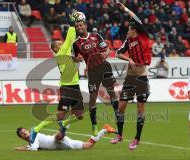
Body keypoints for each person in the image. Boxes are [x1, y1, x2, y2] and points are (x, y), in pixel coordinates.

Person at [29, 11, 85, 143]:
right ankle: (36, 129)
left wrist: (76, 60)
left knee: (80, 115)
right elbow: (70, 38)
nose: (61, 44)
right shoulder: (61, 52)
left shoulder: (64, 54)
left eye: (61, 43)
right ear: (55, 49)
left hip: (75, 86)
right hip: (66, 87)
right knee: (60, 114)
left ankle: (64, 124)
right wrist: (72, 23)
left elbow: (71, 59)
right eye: (58, 44)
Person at [110, 2, 152, 150]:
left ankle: (137, 138)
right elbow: (117, 53)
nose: (127, 32)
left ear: (134, 30)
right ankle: (120, 135)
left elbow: (137, 18)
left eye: (129, 30)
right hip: (130, 76)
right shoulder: (128, 41)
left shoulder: (143, 36)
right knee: (121, 108)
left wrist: (125, 9)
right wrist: (129, 59)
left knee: (140, 109)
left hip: (141, 76)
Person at [72, 12, 119, 136]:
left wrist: (106, 53)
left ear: (85, 25)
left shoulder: (96, 36)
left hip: (104, 67)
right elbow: (73, 58)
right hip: (92, 71)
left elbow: (107, 49)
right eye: (77, 26)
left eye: (81, 25)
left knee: (111, 92)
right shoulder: (76, 43)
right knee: (92, 98)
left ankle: (118, 117)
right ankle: (94, 126)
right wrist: (76, 59)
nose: (79, 28)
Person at [15, 124, 117, 151]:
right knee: (89, 145)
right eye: (22, 134)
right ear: (21, 137)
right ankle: (105, 130)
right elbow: (32, 146)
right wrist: (26, 147)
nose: (24, 133)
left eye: (24, 131)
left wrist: (23, 149)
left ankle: (64, 125)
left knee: (58, 137)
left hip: (55, 141)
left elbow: (34, 149)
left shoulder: (34, 135)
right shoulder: (30, 142)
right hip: (63, 145)